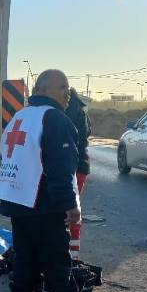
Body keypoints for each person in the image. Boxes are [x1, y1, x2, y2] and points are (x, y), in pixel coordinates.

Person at [0, 69, 90, 292]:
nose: (67, 93)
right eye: (62, 87)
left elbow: (7, 158)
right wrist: (70, 205)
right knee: (57, 263)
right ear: (43, 89)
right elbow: (62, 169)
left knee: (25, 261)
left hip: (18, 202)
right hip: (45, 206)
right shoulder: (55, 119)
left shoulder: (19, 117)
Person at [64, 88, 90, 260]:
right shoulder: (80, 111)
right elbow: (87, 134)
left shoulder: (62, 112)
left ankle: (67, 257)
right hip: (81, 166)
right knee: (73, 208)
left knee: (67, 210)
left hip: (67, 167)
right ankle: (73, 256)